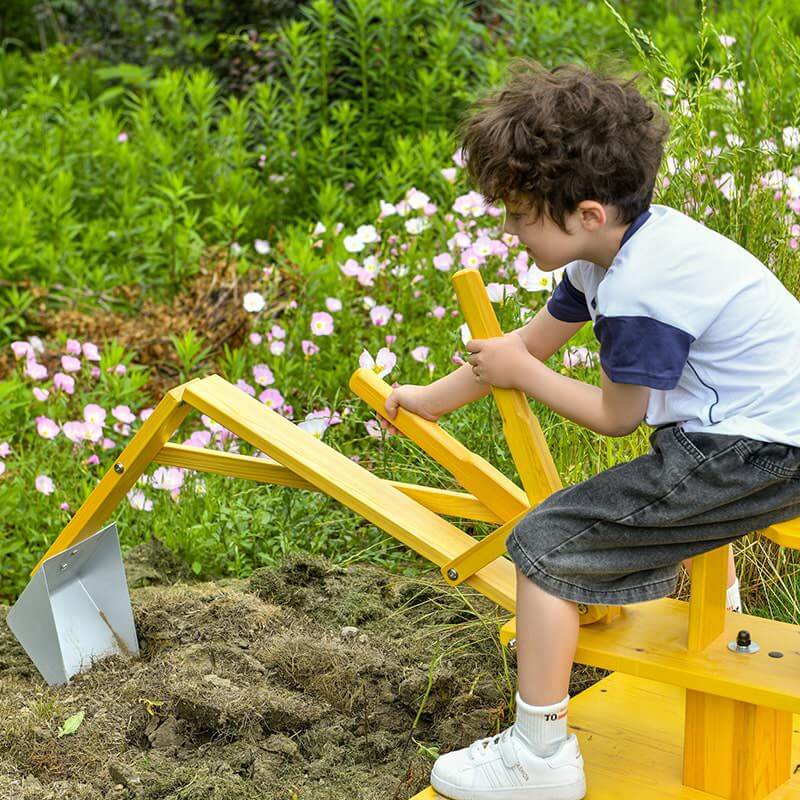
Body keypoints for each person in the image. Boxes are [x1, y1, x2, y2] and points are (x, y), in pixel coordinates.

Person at [379, 60, 800, 800]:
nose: (509, 230)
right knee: (660, 470)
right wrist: (427, 399)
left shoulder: (642, 288)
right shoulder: (617, 256)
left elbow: (614, 417)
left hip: (760, 452)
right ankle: (720, 605)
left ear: (587, 214)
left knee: (543, 546)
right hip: (752, 435)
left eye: (517, 214)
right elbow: (526, 347)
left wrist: (521, 375)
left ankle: (538, 757)